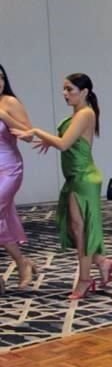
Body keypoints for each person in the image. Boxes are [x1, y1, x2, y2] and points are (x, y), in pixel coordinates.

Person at [14, 73, 112, 299]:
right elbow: (67, 142)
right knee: (74, 228)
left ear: (84, 92)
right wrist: (46, 140)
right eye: (64, 89)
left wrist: (36, 132)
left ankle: (84, 280)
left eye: (69, 89)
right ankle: (102, 261)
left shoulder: (86, 113)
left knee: (81, 232)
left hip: (83, 178)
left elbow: (63, 144)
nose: (65, 94)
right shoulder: (78, 114)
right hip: (75, 177)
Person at [0, 64, 36, 292]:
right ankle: (23, 263)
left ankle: (22, 263)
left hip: (9, 168)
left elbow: (28, 136)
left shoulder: (9, 103)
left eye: (2, 77)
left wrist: (3, 116)